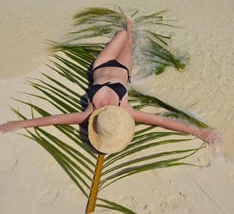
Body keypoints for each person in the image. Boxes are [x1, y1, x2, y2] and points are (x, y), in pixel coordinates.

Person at [0, 18, 219, 145]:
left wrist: (18, 124)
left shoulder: (88, 113)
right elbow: (162, 121)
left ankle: (127, 25)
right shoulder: (125, 110)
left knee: (123, 35)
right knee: (128, 39)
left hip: (101, 65)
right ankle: (129, 26)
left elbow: (53, 120)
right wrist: (198, 132)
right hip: (124, 70)